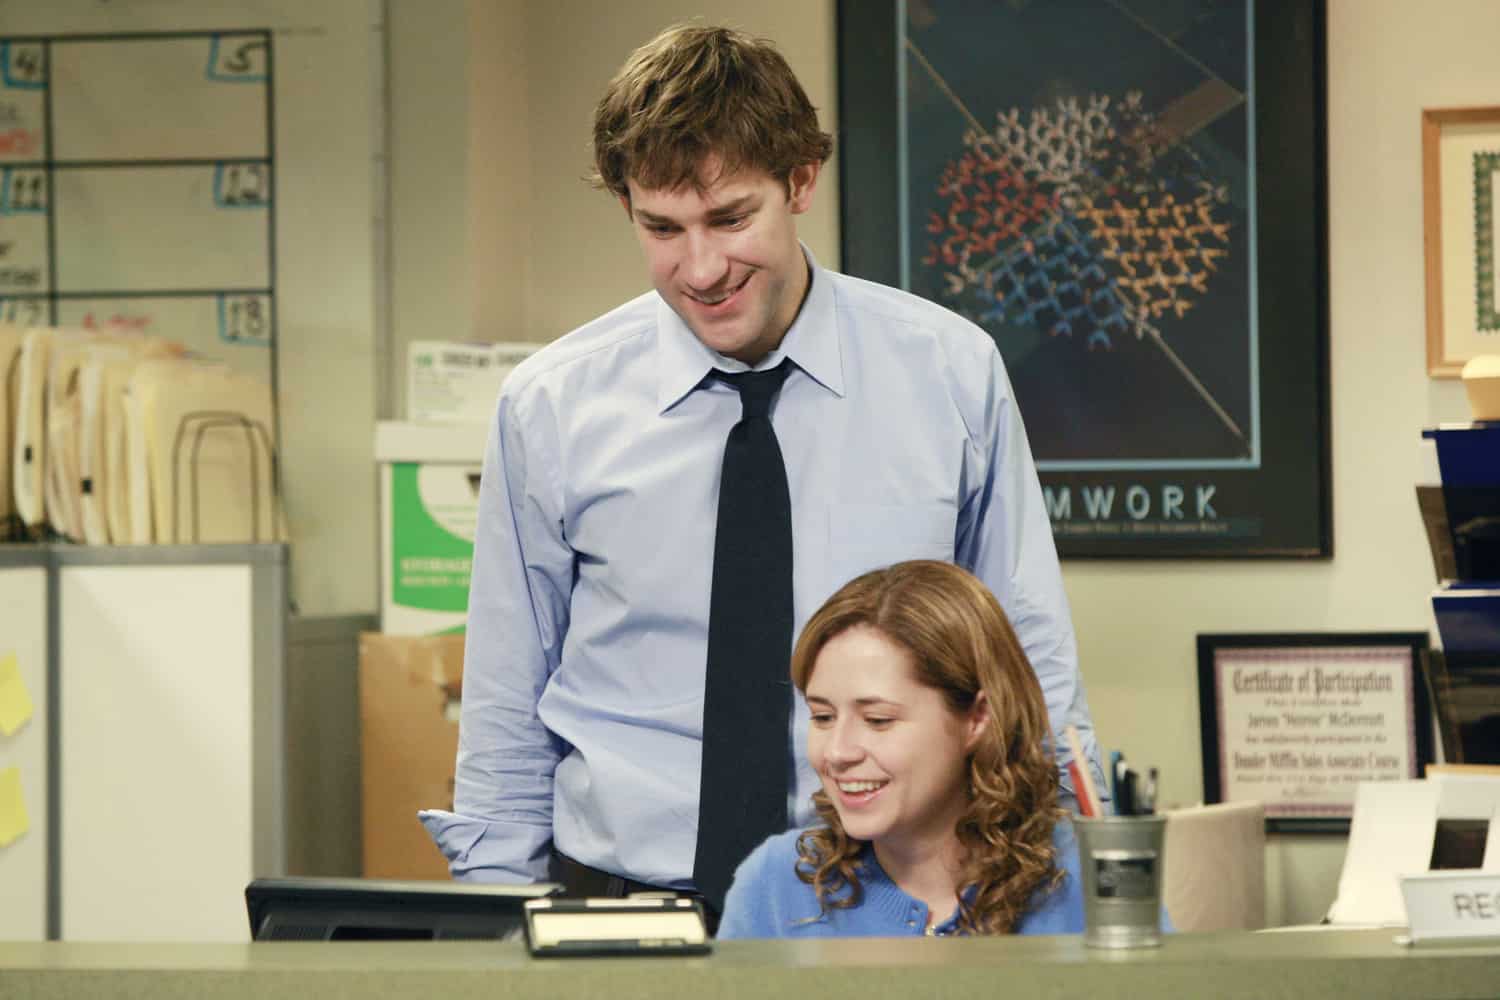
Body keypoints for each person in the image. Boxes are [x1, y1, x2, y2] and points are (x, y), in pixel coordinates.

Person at [420, 23, 1100, 920]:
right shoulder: (551, 407)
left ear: (800, 181)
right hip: (622, 908)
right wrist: (500, 922)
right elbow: (507, 706)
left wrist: (1061, 892)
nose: (700, 269)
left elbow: (1029, 665)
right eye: (661, 228)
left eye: (731, 219)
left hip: (880, 908)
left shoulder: (947, 375)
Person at [718, 560, 1083, 938]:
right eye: (823, 717)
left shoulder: (1092, 887)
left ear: (977, 719)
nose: (838, 753)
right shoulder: (775, 886)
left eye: (877, 720)